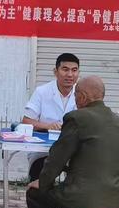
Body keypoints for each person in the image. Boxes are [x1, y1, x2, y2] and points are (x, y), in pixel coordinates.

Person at [22, 76, 119, 208]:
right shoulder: (116, 120)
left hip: (84, 197)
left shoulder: (77, 118)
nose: (75, 99)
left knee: (35, 196)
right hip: (113, 196)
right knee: (94, 188)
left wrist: (42, 182)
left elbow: (57, 157)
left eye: (76, 95)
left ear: (83, 97)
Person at [22, 53, 79, 181]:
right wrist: (47, 126)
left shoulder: (82, 92)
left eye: (74, 70)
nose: (70, 75)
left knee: (82, 176)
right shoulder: (42, 91)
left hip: (74, 151)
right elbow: (26, 121)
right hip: (44, 151)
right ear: (56, 71)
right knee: (40, 180)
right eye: (65, 69)